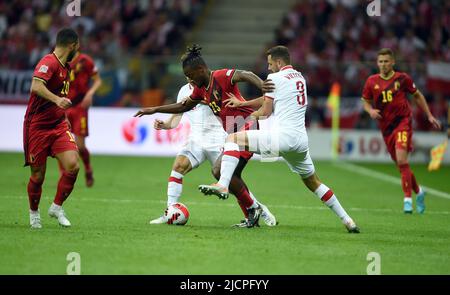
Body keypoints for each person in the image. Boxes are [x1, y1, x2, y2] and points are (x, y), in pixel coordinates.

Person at [199, 45, 360, 233]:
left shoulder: (274, 78)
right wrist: (243, 103)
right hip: (300, 142)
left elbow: (266, 111)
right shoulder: (300, 77)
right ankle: (348, 220)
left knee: (233, 138)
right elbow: (271, 98)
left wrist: (251, 116)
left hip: (281, 139)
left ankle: (223, 184)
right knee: (314, 182)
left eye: (270, 64)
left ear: (278, 62)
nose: (268, 68)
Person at [135, 44, 274, 228]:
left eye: (191, 75)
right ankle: (254, 212)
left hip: (242, 125)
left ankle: (254, 208)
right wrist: (154, 110)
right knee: (229, 176)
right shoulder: (199, 90)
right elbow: (183, 106)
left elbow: (244, 74)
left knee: (222, 174)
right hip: (224, 133)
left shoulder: (220, 76)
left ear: (200, 70)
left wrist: (262, 85)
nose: (190, 80)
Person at [361, 48, 441, 213]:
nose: (383, 64)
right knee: (400, 164)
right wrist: (370, 111)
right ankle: (419, 192)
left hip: (403, 122)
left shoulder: (402, 79)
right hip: (386, 128)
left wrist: (429, 115)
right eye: (380, 61)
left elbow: (417, 95)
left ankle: (407, 200)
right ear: (377, 63)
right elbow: (366, 101)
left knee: (402, 161)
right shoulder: (371, 81)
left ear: (393, 62)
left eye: (386, 61)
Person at [24, 28, 80, 228]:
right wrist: (58, 101)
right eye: (78, 46)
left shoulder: (67, 67)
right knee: (38, 176)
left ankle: (57, 206)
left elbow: (59, 95)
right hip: (37, 127)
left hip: (58, 126)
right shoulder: (48, 62)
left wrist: (63, 115)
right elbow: (36, 87)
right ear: (71, 45)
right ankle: (34, 213)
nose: (78, 50)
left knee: (73, 165)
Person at [66, 50, 102, 187]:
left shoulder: (85, 61)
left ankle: (88, 168)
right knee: (62, 143)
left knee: (80, 146)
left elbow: (98, 81)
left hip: (80, 106)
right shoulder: (60, 60)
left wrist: (90, 93)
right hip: (64, 106)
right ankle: (64, 175)